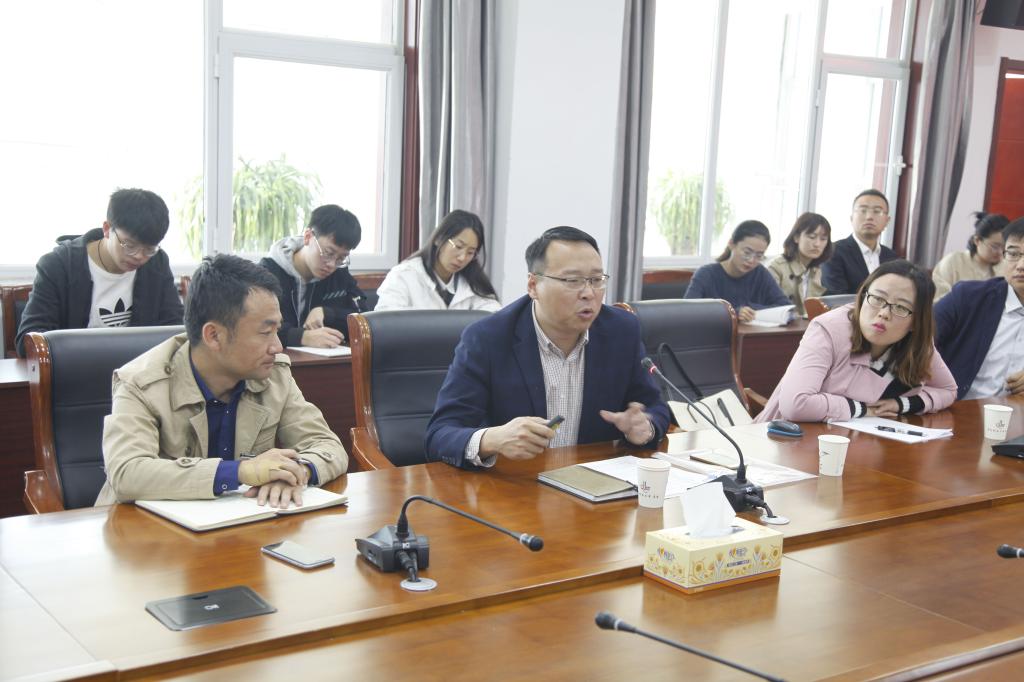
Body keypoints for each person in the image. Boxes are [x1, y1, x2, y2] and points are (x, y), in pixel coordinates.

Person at [97, 254, 347, 507]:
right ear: (214, 336)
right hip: (142, 527)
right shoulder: (141, 383)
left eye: (278, 330)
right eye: (265, 332)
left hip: (234, 523)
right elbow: (127, 473)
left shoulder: (274, 375)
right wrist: (240, 472)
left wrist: (295, 472)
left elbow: (328, 446)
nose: (278, 346)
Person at [424, 226, 670, 469]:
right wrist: (492, 439)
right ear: (533, 285)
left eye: (596, 280)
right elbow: (439, 435)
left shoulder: (621, 331)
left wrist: (644, 428)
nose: (589, 293)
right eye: (572, 280)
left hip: (594, 482)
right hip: (515, 484)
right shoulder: (488, 339)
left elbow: (654, 407)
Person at [755, 259, 957, 423]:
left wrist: (901, 404)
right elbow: (795, 404)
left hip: (857, 443)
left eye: (901, 308)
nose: (884, 313)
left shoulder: (917, 342)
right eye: (877, 298)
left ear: (916, 321)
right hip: (783, 440)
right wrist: (862, 409)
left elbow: (947, 390)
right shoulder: (828, 329)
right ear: (863, 296)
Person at [16, 188, 183, 357]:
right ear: (107, 229)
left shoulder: (157, 263)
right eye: (130, 245)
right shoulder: (58, 266)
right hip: (77, 367)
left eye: (149, 249)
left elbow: (175, 329)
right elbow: (29, 340)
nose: (139, 256)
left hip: (138, 369)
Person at [935, 217, 1024, 400]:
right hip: (958, 409)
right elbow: (918, 341)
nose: (1021, 266)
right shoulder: (968, 298)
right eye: (1013, 254)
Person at [260, 204, 367, 349]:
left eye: (341, 258)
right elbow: (258, 326)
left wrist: (327, 313)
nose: (332, 264)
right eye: (328, 253)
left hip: (324, 359)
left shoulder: (339, 273)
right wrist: (302, 336)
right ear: (308, 237)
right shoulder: (268, 272)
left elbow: (364, 319)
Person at [375, 210, 501, 312]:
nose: (462, 258)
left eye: (470, 252)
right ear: (439, 239)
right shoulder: (403, 275)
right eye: (458, 247)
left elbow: (494, 315)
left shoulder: (472, 282)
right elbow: (388, 321)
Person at [684, 220, 790, 322]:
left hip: (751, 333)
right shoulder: (706, 274)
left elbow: (786, 307)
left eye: (759, 256)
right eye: (747, 252)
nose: (751, 260)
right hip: (714, 333)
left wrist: (750, 309)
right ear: (731, 244)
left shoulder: (760, 273)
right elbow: (687, 311)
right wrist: (733, 313)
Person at [822, 189, 899, 295]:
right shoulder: (833, 252)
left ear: (887, 221)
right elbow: (836, 297)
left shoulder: (892, 258)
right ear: (852, 218)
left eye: (877, 211)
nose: (869, 217)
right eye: (863, 210)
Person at [766, 212, 834, 316]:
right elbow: (769, 307)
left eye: (823, 239)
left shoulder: (817, 271)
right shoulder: (776, 267)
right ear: (796, 237)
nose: (817, 244)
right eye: (812, 237)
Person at [931, 212, 1008, 301]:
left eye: (1005, 247)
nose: (1000, 252)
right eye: (995, 246)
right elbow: (938, 299)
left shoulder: (1006, 267)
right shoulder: (953, 262)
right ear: (977, 240)